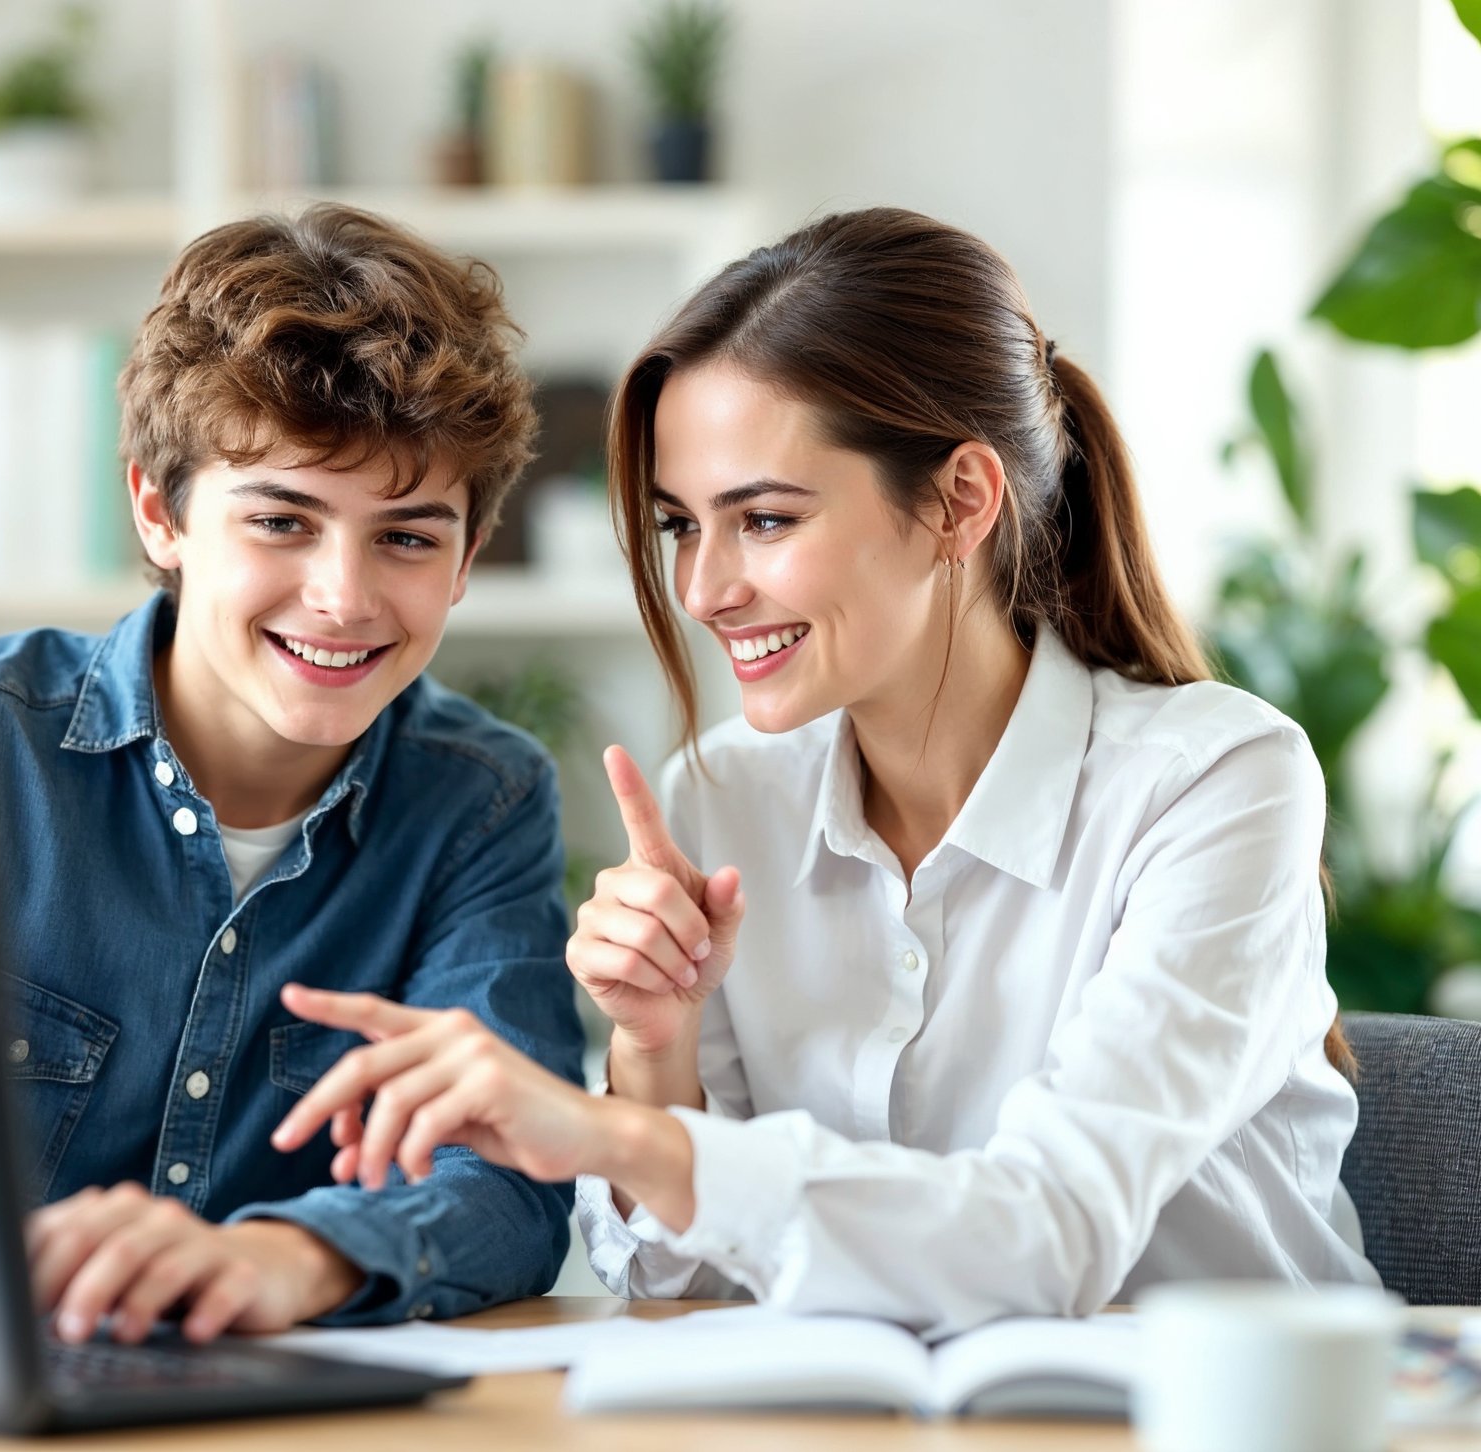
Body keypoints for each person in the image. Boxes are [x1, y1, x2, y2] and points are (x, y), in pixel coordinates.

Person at [270, 206, 1381, 1338]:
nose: (703, 591)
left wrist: (601, 1131)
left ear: (960, 501)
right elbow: (675, 1291)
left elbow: (1053, 1235)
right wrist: (655, 1049)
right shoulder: (721, 795)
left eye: (762, 519)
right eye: (678, 527)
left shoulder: (1217, 781)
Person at [0, 204, 585, 1346]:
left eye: (406, 536)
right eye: (283, 521)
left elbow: (508, 1184)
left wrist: (282, 1258)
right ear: (162, 513)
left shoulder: (479, 802)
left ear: (467, 559)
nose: (344, 596)